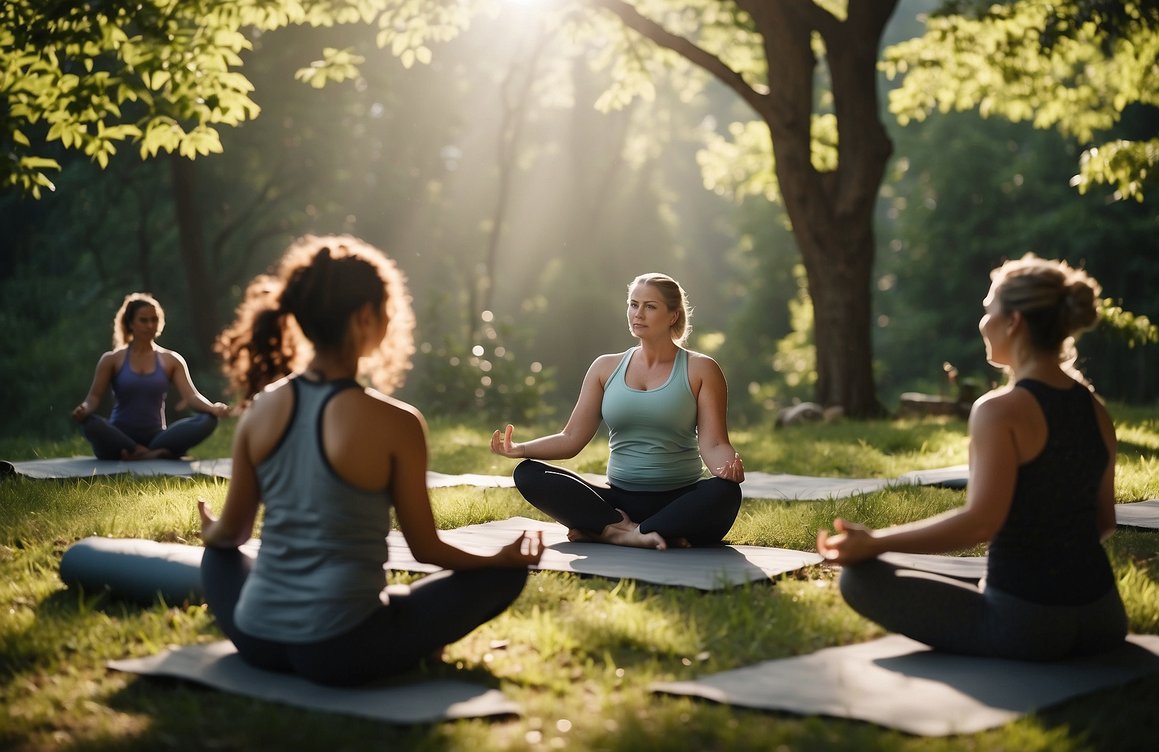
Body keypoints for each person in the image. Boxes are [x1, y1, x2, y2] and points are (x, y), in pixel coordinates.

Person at [198, 234, 544, 686]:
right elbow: (427, 549)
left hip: (256, 638)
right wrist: (496, 559)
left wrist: (213, 532)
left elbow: (234, 532)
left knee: (219, 556)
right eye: (387, 311)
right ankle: (399, 633)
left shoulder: (260, 408)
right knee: (504, 577)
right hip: (340, 650)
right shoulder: (395, 422)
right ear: (365, 317)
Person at [816, 253, 1127, 661]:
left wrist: (876, 542)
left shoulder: (998, 410)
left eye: (988, 309)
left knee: (859, 581)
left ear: (1013, 321)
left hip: (1027, 627)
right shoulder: (1095, 409)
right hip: (1104, 619)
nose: (983, 322)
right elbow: (1104, 522)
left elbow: (980, 523)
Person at [491, 272, 744, 550]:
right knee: (527, 474)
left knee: (725, 492)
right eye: (633, 304)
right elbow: (571, 437)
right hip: (617, 502)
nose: (638, 314)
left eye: (650, 306)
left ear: (673, 315)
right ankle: (642, 532)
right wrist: (520, 449)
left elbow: (715, 442)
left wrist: (726, 467)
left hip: (679, 499)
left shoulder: (701, 368)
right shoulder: (605, 367)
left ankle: (608, 532)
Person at [71, 293, 228, 460]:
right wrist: (84, 409)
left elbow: (191, 396)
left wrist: (213, 408)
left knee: (209, 420)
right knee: (89, 423)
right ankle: (150, 453)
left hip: (157, 436)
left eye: (154, 320)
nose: (150, 325)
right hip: (119, 435)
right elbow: (93, 397)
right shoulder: (111, 359)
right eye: (143, 320)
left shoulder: (171, 360)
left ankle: (138, 453)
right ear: (130, 323)